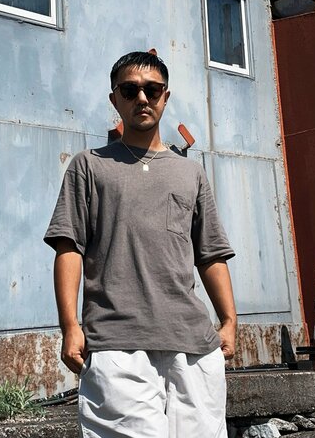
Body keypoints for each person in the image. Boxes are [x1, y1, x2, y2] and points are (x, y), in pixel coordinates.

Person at [44, 51, 237, 438]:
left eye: (153, 89)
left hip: (194, 345)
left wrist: (230, 321)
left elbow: (211, 254)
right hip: (116, 343)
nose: (142, 98)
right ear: (115, 99)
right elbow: (69, 248)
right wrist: (70, 326)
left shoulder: (191, 172)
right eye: (130, 90)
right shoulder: (89, 165)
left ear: (166, 96)